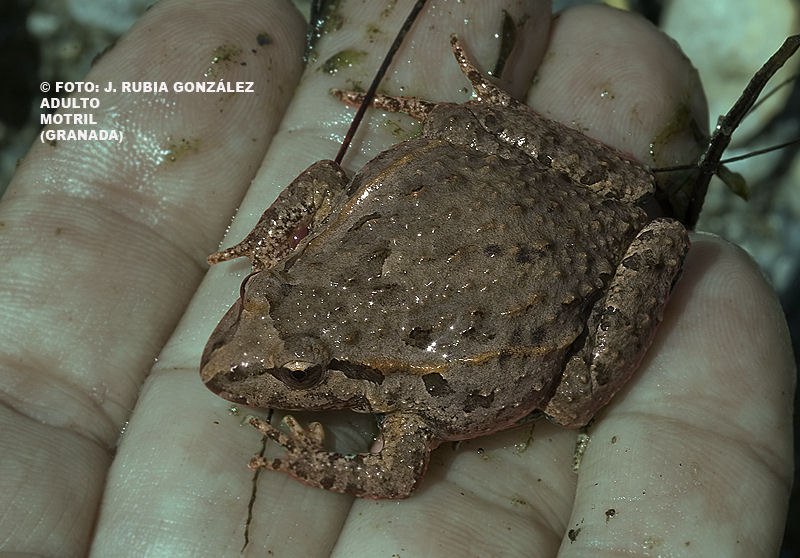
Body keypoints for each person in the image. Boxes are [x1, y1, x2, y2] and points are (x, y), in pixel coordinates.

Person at [0, 1, 793, 555]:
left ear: (341, 373)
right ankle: (492, 117)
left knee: (570, 400)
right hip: (508, 190)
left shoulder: (404, 408)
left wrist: (300, 460)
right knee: (460, 127)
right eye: (257, 295)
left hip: (574, 278)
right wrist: (266, 250)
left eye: (299, 373)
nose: (228, 362)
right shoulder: (301, 275)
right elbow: (322, 179)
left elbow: (391, 476)